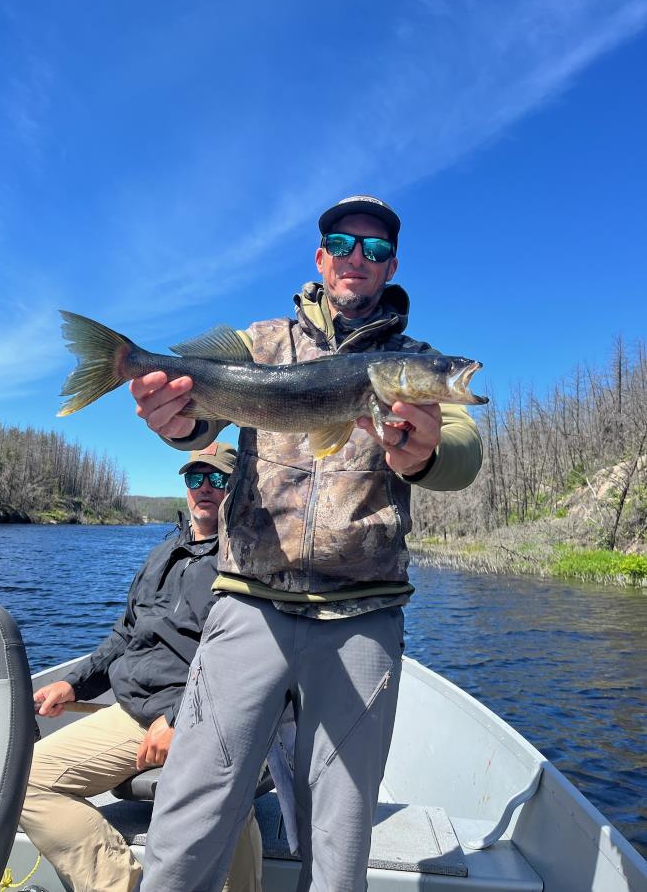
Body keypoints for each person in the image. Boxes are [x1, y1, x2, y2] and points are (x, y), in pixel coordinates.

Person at [131, 195, 484, 891]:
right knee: (188, 819)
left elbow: (462, 451)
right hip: (248, 607)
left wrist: (421, 452)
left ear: (391, 267)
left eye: (376, 249)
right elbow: (201, 425)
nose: (360, 257)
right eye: (344, 243)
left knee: (339, 835)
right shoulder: (263, 344)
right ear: (321, 258)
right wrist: (173, 420)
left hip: (362, 616)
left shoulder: (410, 364)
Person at [19, 443, 262, 892]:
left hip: (213, 718)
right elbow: (125, 634)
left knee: (225, 800)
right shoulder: (163, 553)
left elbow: (247, 660)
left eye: (218, 479)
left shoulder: (251, 558)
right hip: (134, 712)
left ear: (239, 487)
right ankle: (122, 884)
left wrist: (178, 719)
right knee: (26, 781)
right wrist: (74, 685)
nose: (205, 488)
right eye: (195, 479)